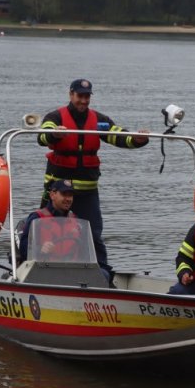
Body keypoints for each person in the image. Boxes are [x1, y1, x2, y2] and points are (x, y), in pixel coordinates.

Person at [37, 78, 149, 270]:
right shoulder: (55, 117)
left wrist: (138, 140)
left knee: (93, 235)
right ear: (71, 95)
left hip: (87, 193)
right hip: (57, 192)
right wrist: (55, 134)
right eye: (80, 96)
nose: (83, 101)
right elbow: (42, 135)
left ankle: (103, 275)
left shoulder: (98, 119)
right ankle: (37, 269)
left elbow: (118, 135)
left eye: (87, 97)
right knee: (46, 231)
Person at [18, 179, 82, 262]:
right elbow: (24, 249)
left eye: (70, 195)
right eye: (64, 194)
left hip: (72, 270)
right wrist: (40, 249)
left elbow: (84, 250)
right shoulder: (37, 218)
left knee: (103, 274)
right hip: (42, 268)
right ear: (52, 195)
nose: (68, 199)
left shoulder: (75, 220)